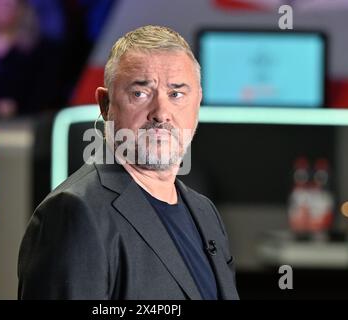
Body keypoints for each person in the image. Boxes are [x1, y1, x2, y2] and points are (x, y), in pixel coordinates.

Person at [18, 25, 239, 300]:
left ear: (198, 103)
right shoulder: (73, 212)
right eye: (140, 94)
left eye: (176, 94)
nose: (161, 114)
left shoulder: (204, 213)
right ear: (105, 104)